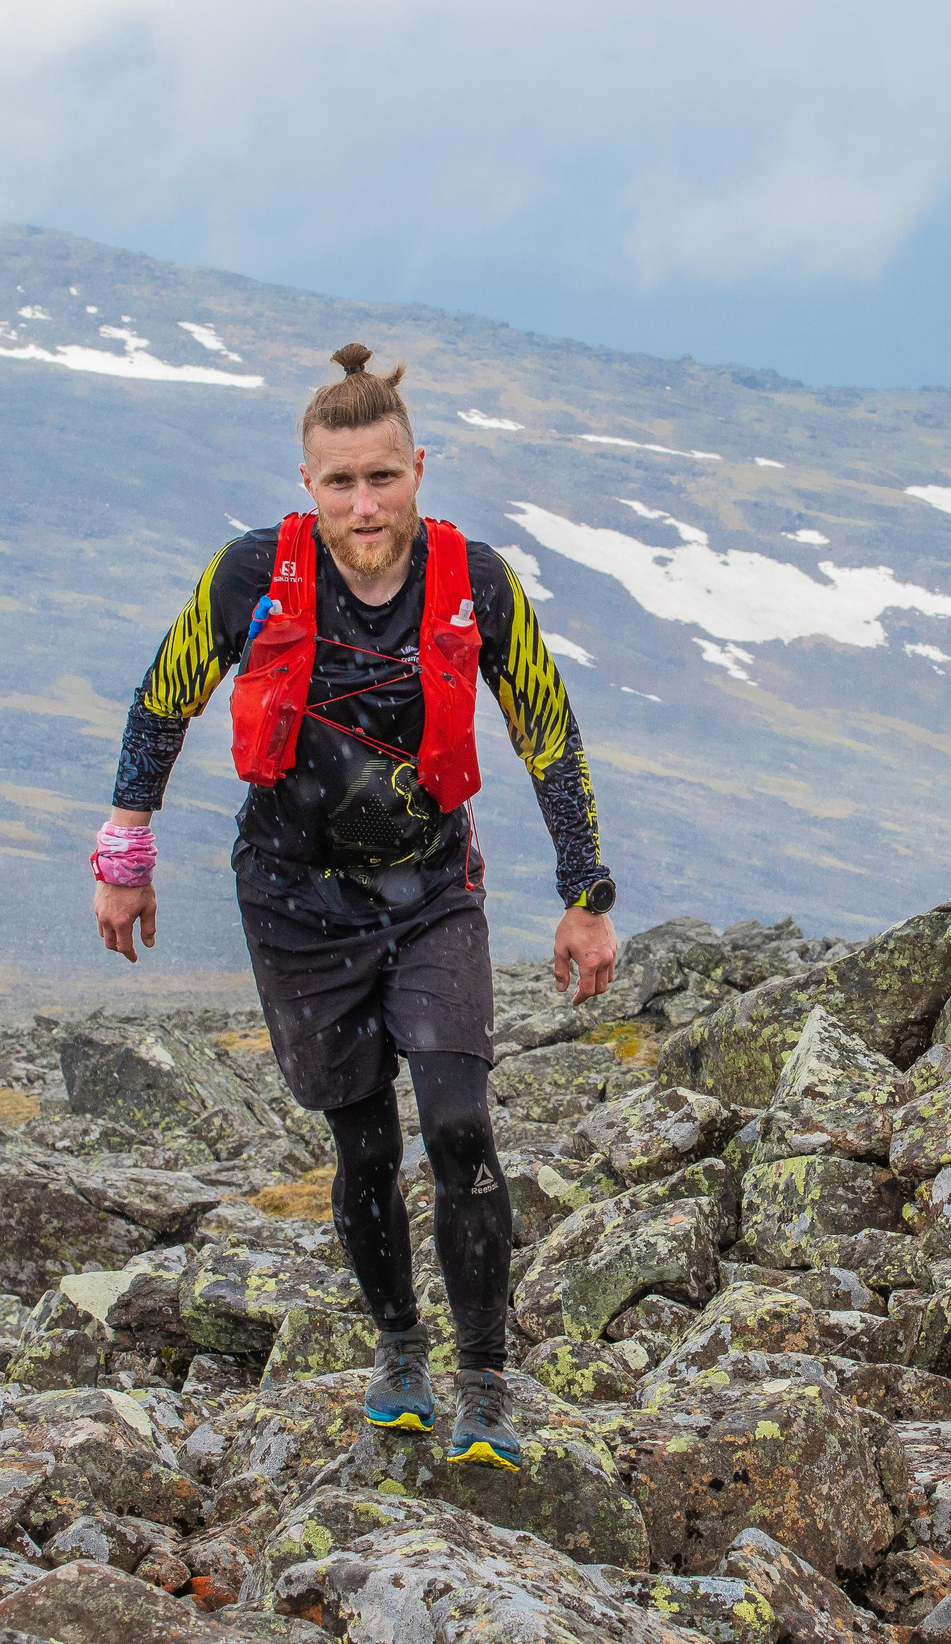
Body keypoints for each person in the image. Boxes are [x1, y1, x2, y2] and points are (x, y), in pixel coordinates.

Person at [91, 343, 619, 1471]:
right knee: (365, 1142)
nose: (363, 504)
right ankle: (399, 1354)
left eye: (382, 478)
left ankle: (484, 1379)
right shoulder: (249, 576)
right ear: (307, 482)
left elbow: (546, 731)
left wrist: (585, 895)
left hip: (433, 892)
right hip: (293, 902)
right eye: (340, 482)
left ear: (418, 468)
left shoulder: (473, 580)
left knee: (459, 1124)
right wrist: (124, 849)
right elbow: (161, 699)